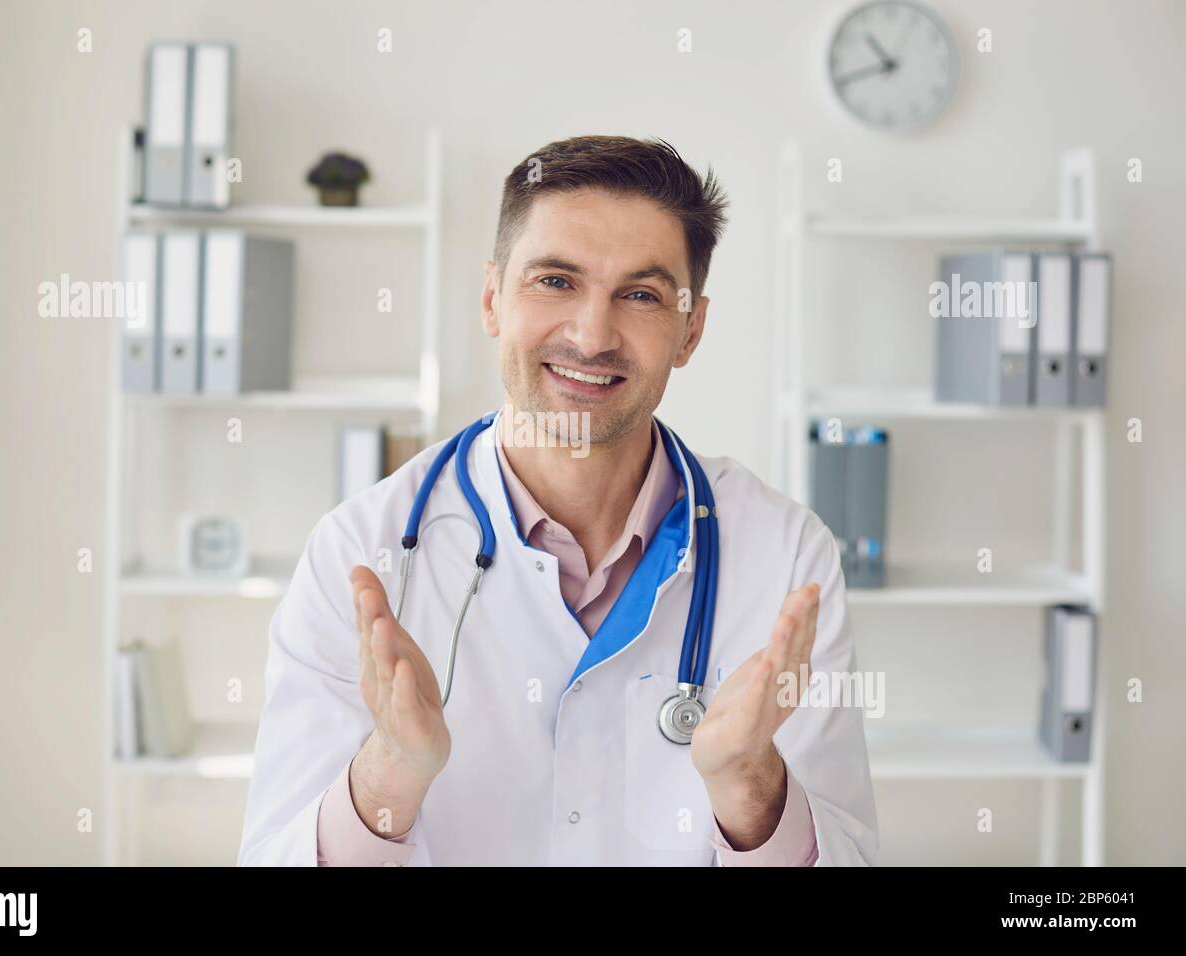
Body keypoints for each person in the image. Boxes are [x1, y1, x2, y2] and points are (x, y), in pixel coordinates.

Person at [238, 135, 878, 866]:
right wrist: (390, 775)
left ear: (690, 330)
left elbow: (852, 855)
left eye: (640, 295)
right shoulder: (360, 552)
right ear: (491, 298)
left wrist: (753, 791)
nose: (591, 334)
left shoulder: (786, 556)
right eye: (555, 281)